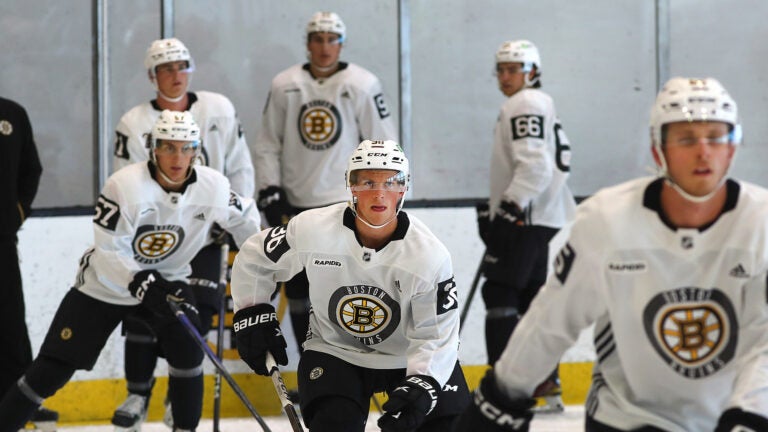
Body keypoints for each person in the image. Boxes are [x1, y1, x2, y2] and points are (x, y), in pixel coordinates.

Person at [455, 76, 768, 432]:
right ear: (657, 149)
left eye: (715, 137)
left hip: (726, 418)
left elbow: (765, 341)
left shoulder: (762, 223)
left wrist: (751, 416)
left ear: (733, 147)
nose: (703, 152)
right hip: (626, 419)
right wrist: (503, 392)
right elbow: (552, 319)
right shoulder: (608, 219)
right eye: (685, 138)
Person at [0, 110, 261, 432]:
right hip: (105, 286)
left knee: (189, 350)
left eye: (185, 147)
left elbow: (248, 222)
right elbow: (109, 251)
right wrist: (137, 280)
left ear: (196, 150)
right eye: (168, 147)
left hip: (169, 280)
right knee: (54, 366)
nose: (177, 157)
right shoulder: (124, 186)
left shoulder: (214, 188)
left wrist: (257, 267)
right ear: (153, 149)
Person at [231, 140, 470, 431]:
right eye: (368, 181)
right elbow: (257, 255)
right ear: (351, 185)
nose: (379, 193)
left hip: (406, 358)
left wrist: (425, 381)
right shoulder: (312, 230)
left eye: (392, 182)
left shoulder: (428, 256)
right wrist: (251, 310)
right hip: (335, 351)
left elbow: (436, 334)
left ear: (404, 189)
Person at [110, 37, 255, 429]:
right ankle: (138, 395)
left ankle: (179, 398)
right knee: (146, 313)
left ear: (191, 70)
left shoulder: (219, 109)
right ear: (151, 75)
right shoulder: (134, 122)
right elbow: (128, 182)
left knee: (197, 317)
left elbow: (239, 165)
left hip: (206, 233)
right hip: (155, 236)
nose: (175, 76)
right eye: (166, 69)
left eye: (181, 67)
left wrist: (233, 216)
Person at [253, 11, 398, 353]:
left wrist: (380, 196)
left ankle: (353, 364)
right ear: (307, 44)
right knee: (300, 289)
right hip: (296, 203)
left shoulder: (362, 84)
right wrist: (269, 190)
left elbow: (384, 144)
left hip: (344, 203)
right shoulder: (284, 85)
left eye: (332, 39)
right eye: (317, 39)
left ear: (342, 44)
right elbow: (267, 143)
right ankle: (311, 364)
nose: (324, 47)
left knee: (347, 286)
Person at [477, 39, 575, 412]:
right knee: (530, 299)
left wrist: (509, 206)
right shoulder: (537, 102)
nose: (505, 76)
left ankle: (502, 390)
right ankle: (545, 383)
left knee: (501, 293)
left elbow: (535, 166)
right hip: (539, 215)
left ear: (532, 71)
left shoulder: (525, 103)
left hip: (526, 215)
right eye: (501, 69)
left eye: (513, 68)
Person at [0, 97, 57, 429]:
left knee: (9, 322)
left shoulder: (12, 114)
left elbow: (30, 169)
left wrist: (15, 214)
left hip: (2, 241)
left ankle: (16, 402)